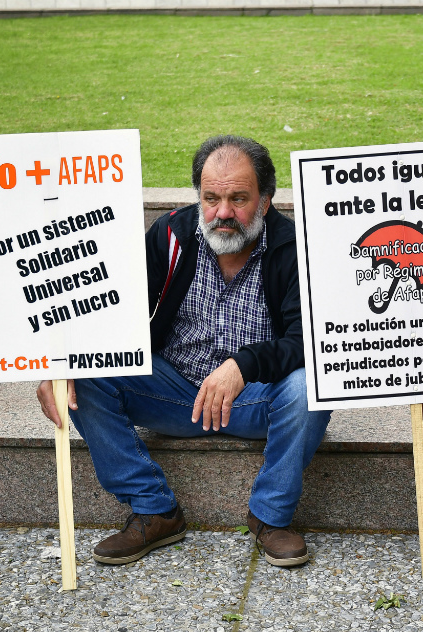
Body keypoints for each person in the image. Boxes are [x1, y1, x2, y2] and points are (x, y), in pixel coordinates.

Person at [37, 135, 331, 568]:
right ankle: (154, 510)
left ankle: (271, 518)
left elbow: (308, 341)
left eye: (238, 198)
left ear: (265, 201)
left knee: (313, 384)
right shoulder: (170, 234)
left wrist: (242, 366)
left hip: (256, 400)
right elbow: (111, 309)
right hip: (174, 395)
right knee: (80, 374)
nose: (223, 213)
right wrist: (58, 361)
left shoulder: (294, 245)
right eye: (211, 198)